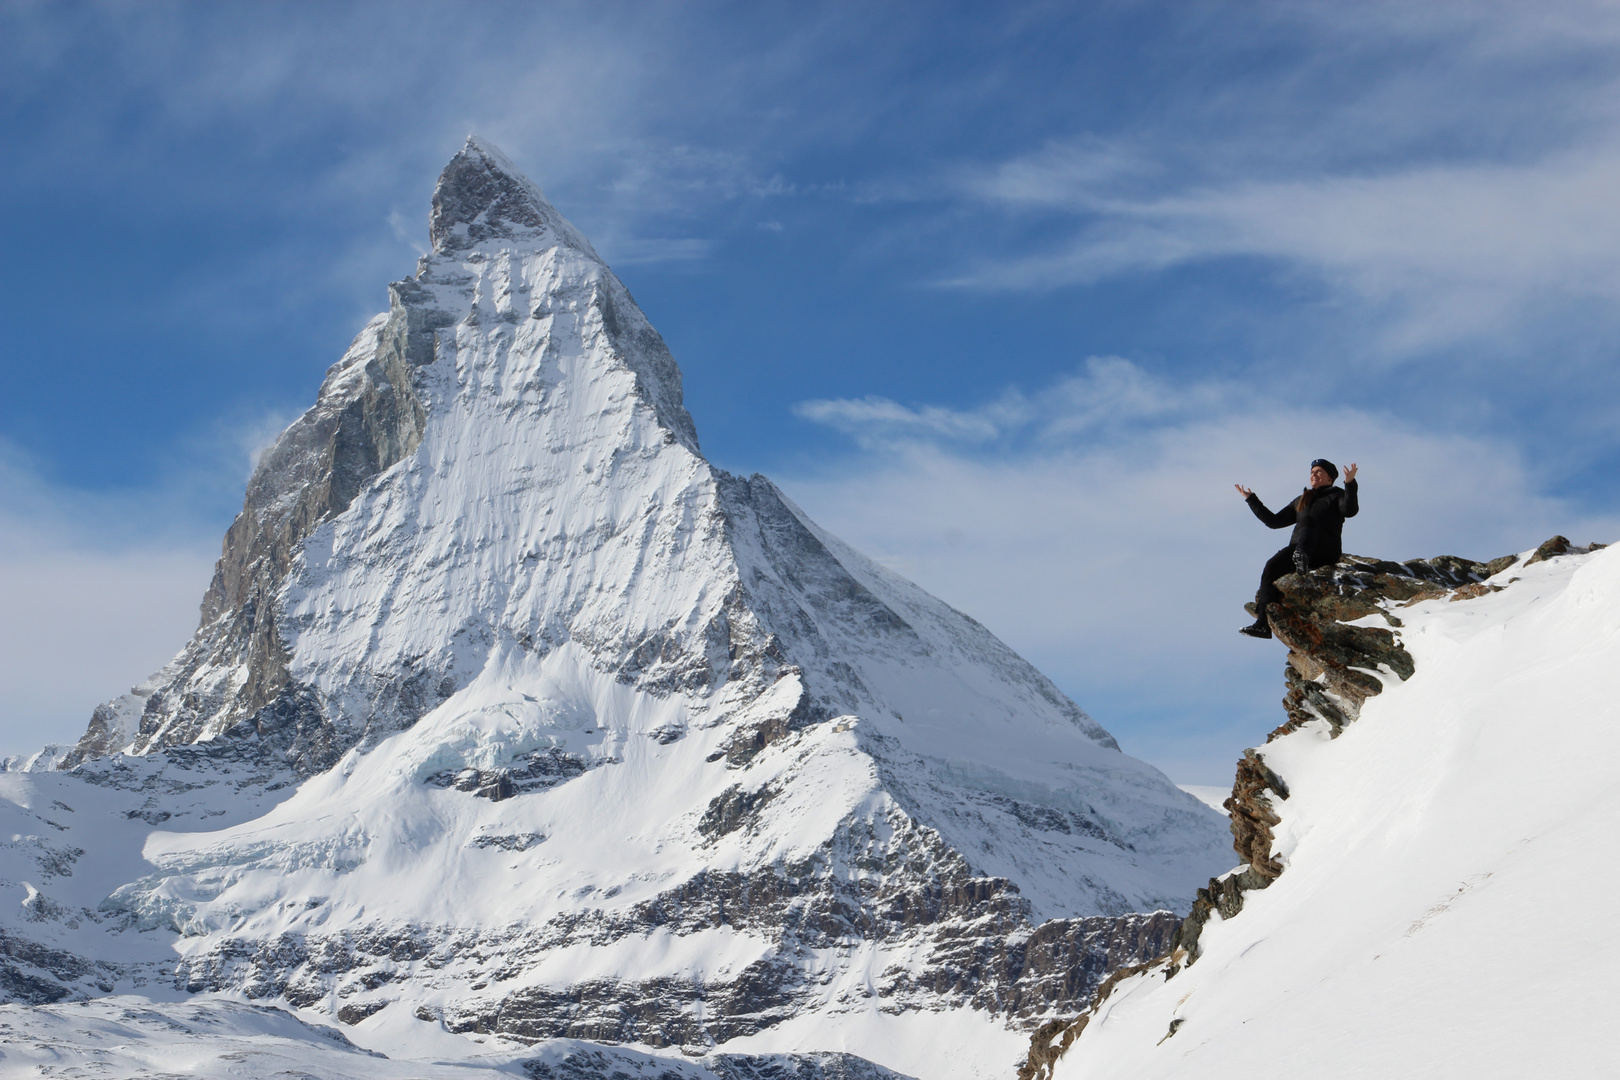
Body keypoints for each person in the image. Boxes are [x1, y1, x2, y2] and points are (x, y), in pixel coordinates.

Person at [1234, 458, 1359, 639]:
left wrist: (1350, 483)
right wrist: (1251, 499)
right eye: (1312, 472)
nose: (1313, 475)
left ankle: (1302, 559)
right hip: (1298, 550)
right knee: (1271, 567)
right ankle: (1262, 624)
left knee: (1308, 525)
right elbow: (1274, 522)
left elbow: (1350, 510)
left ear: (1330, 478)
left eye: (1318, 472)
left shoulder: (1337, 495)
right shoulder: (1301, 500)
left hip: (1325, 550)